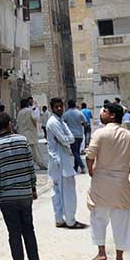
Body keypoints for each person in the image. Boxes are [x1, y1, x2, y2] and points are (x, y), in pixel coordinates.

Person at [85, 103, 130, 260]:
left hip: (100, 182)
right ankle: (120, 259)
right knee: (121, 220)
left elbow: (90, 155)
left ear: (112, 115)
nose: (101, 113)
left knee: (98, 217)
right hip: (120, 184)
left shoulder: (100, 133)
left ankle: (101, 252)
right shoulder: (128, 136)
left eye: (104, 111)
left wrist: (91, 170)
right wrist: (129, 168)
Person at [0, 112, 44, 260]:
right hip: (25, 194)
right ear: (10, 124)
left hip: (7, 198)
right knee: (29, 231)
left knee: (14, 233)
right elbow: (29, 166)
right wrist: (32, 188)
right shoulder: (22, 141)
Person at [46, 99, 86, 230]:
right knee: (66, 191)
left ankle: (59, 219)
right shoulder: (53, 122)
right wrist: (66, 139)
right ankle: (70, 220)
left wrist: (66, 139)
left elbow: (71, 138)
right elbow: (65, 139)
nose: (59, 109)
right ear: (52, 108)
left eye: (60, 106)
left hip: (60, 160)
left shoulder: (61, 121)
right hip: (60, 161)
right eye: (56, 107)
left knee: (58, 191)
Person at [16, 98, 44, 170]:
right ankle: (40, 164)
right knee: (35, 151)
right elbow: (35, 119)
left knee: (24, 150)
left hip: (22, 134)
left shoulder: (19, 112)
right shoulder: (30, 111)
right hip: (31, 133)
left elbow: (17, 124)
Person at [62, 99, 88, 174]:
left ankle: (82, 166)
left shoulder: (66, 114)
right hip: (80, 134)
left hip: (72, 135)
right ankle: (75, 168)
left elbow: (62, 123)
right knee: (77, 152)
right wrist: (80, 124)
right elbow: (85, 123)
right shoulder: (79, 113)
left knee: (74, 152)